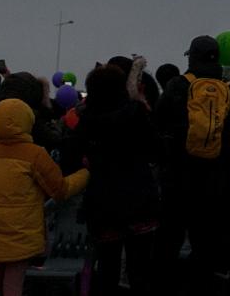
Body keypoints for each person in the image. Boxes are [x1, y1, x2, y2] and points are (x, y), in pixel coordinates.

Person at [154, 35, 230, 295]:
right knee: (205, 246)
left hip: (178, 181)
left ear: (191, 57)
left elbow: (157, 120)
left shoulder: (177, 86)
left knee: (168, 243)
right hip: (217, 182)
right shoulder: (229, 92)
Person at [0, 97, 89, 296]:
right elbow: (60, 190)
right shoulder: (35, 154)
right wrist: (84, 175)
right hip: (21, 232)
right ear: (27, 121)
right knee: (13, 286)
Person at [77, 61, 159, 296]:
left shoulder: (87, 120)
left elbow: (72, 155)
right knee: (140, 269)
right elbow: (157, 150)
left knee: (107, 268)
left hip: (104, 203)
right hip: (140, 198)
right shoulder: (136, 113)